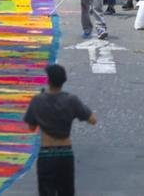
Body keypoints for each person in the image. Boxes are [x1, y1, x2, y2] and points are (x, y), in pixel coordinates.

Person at [23, 64, 97, 195]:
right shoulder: (71, 100)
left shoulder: (38, 100)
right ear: (64, 80)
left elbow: (31, 127)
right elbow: (93, 120)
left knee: (46, 191)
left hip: (46, 153)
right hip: (65, 153)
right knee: (66, 190)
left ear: (48, 80)